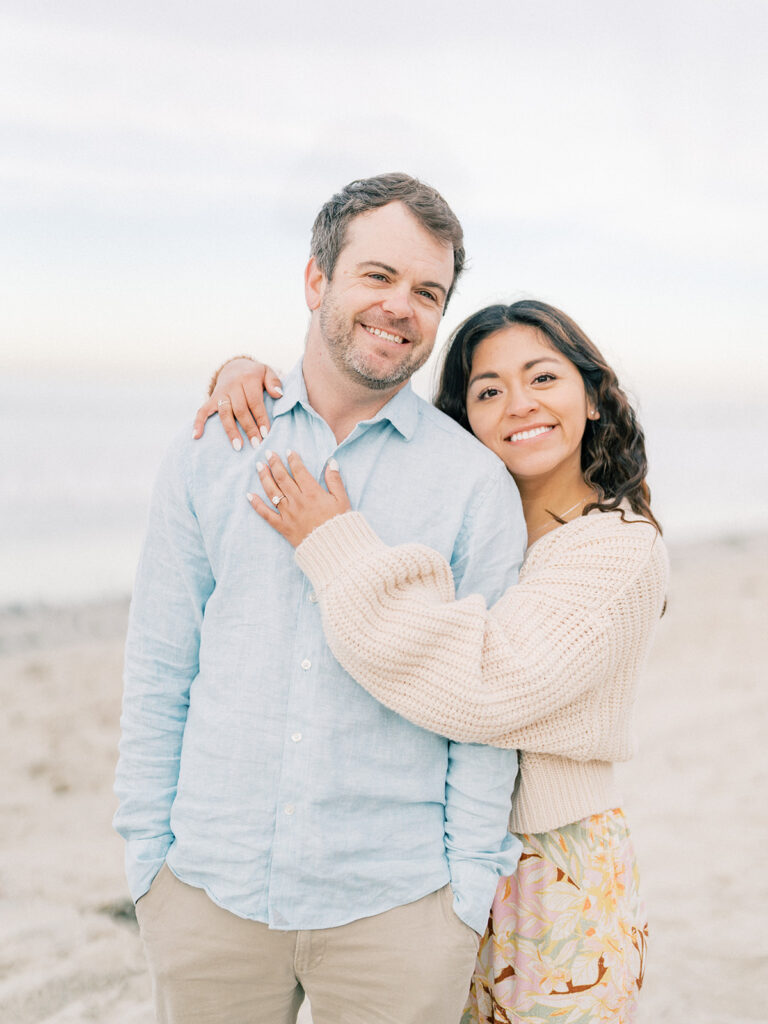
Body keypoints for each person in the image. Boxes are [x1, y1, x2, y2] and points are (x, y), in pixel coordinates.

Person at [114, 173, 526, 1024]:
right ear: (316, 280)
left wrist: (464, 894)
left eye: (427, 292)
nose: (401, 307)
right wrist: (147, 862)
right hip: (207, 892)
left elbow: (483, 707)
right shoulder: (213, 447)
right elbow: (160, 666)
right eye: (377, 276)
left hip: (399, 906)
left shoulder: (474, 486)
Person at [201, 299, 668, 1022]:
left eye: (543, 377)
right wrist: (247, 376)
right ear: (466, 423)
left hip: (552, 867)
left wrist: (335, 543)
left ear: (593, 397)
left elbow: (485, 684)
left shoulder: (617, 547)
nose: (520, 405)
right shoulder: (471, 520)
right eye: (488, 391)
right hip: (424, 859)